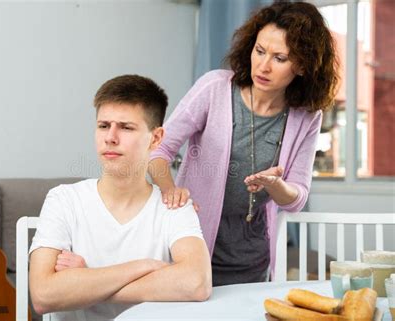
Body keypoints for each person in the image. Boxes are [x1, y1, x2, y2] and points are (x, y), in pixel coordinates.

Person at [147, 1, 339, 286]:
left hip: (253, 256)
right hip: (192, 243)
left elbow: (297, 197)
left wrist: (276, 187)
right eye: (259, 51)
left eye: (280, 58)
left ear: (302, 65)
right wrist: (169, 189)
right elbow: (159, 150)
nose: (263, 66)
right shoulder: (214, 89)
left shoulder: (307, 117)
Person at [28, 75, 212, 320]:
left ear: (156, 138)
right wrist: (142, 267)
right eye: (104, 125)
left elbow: (196, 282)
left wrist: (87, 280)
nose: (110, 137)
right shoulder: (63, 199)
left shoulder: (175, 205)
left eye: (126, 127)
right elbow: (43, 295)